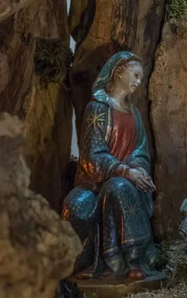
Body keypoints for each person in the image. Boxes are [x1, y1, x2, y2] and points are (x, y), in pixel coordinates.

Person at [62, 51, 157, 280]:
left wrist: (137, 169)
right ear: (118, 72)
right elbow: (92, 155)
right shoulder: (97, 110)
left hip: (124, 183)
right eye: (135, 75)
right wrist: (124, 170)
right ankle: (82, 263)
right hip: (94, 184)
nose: (138, 81)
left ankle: (132, 260)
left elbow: (140, 151)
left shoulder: (134, 114)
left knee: (119, 188)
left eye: (141, 78)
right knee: (74, 205)